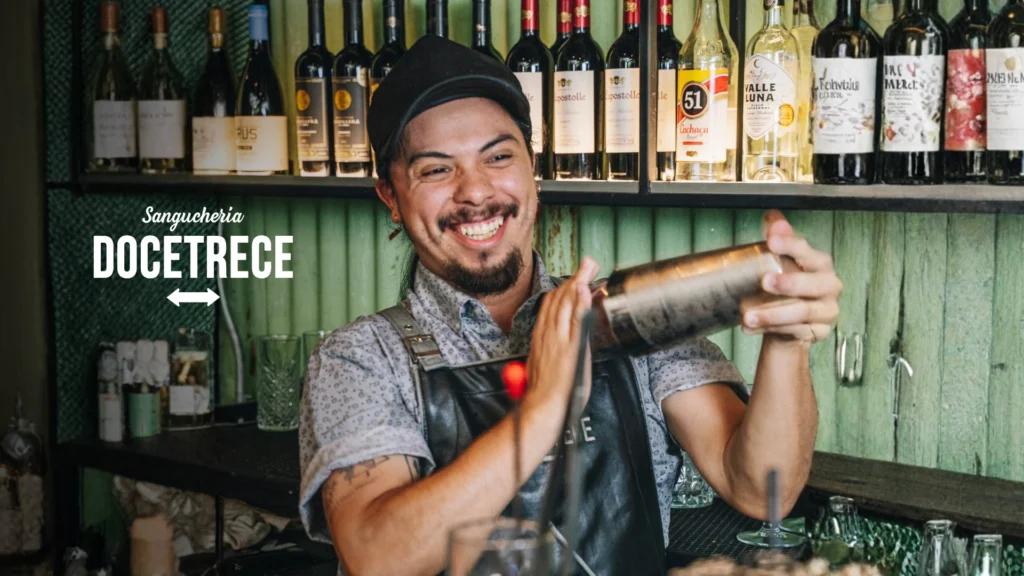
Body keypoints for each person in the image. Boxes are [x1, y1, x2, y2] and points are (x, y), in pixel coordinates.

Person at [298, 36, 841, 576]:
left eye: (499, 157)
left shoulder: (626, 319)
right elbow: (376, 554)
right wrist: (543, 408)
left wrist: (787, 339)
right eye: (436, 169)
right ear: (390, 195)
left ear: (532, 168)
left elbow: (761, 488)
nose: (476, 191)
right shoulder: (359, 359)